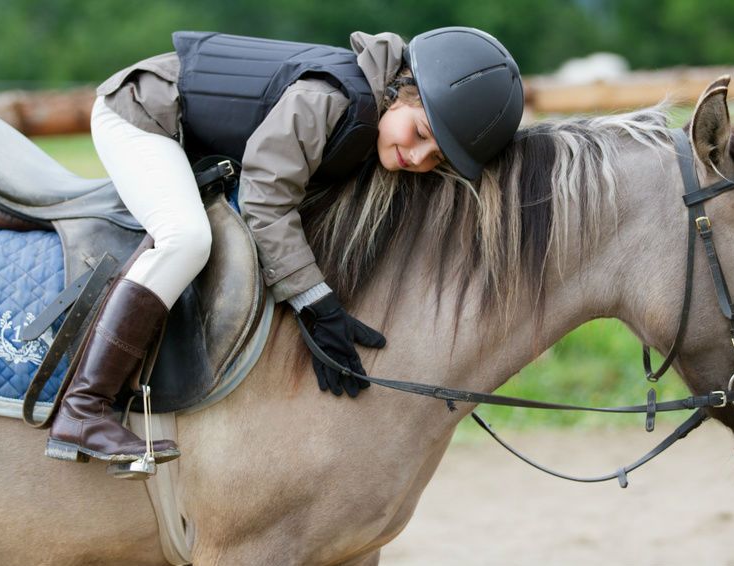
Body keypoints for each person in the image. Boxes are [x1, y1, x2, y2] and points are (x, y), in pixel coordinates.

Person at [44, 27, 524, 469]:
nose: (415, 158)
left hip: (187, 131)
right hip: (140, 114)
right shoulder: (327, 99)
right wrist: (315, 302)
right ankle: (84, 407)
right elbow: (265, 198)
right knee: (186, 238)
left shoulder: (372, 115)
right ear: (400, 91)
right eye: (420, 134)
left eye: (434, 157)